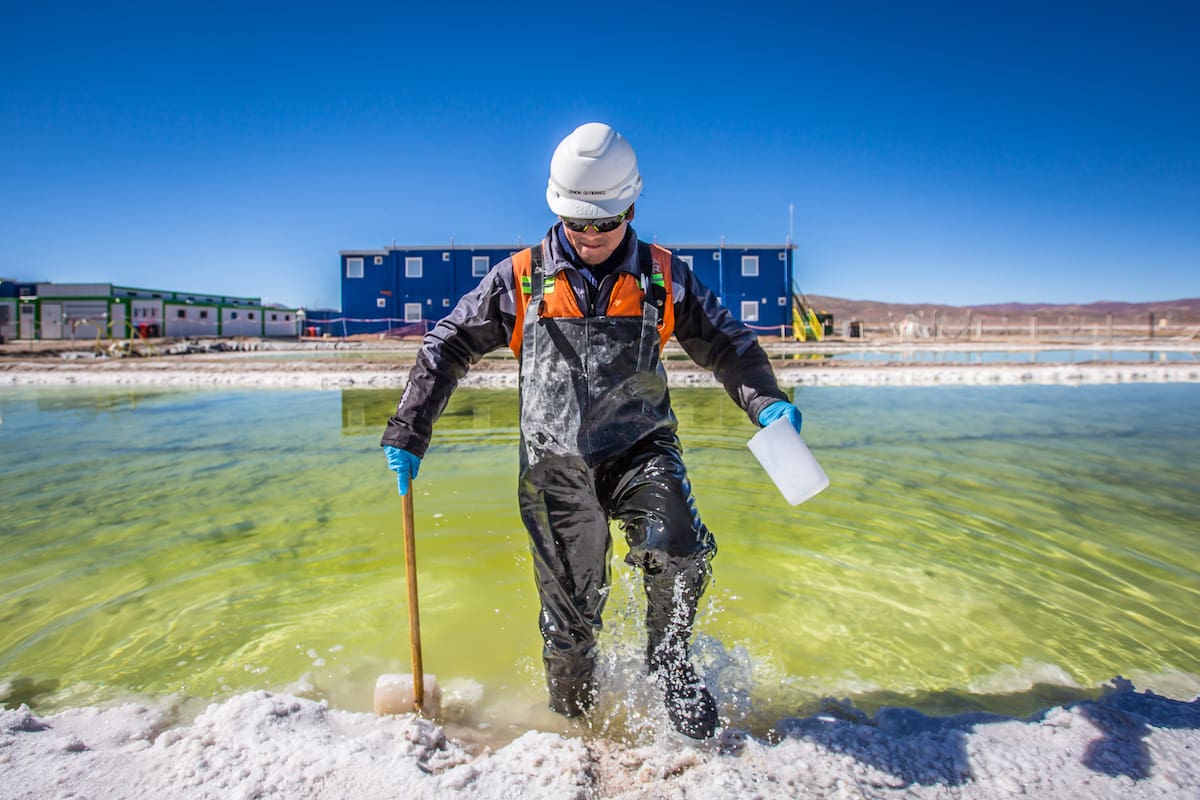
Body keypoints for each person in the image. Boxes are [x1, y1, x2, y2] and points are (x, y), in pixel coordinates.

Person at [381, 122, 803, 739]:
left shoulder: (664, 276)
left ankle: (671, 666)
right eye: (579, 223)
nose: (591, 236)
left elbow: (726, 342)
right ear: (558, 210)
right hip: (555, 465)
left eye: (605, 222)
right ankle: (574, 725)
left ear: (630, 207)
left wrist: (765, 400)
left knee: (679, 549)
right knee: (570, 623)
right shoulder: (521, 279)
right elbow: (447, 344)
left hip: (641, 450)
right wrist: (408, 431)